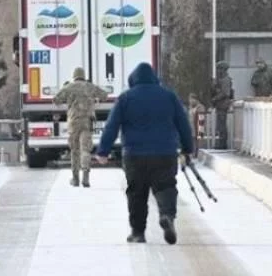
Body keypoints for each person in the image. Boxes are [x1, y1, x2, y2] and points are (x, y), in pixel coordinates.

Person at [95, 62, 193, 245]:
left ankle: (138, 232)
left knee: (136, 193)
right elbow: (183, 124)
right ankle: (167, 216)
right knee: (166, 187)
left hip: (134, 155)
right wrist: (188, 148)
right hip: (165, 153)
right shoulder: (169, 97)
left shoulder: (125, 98)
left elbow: (112, 125)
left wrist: (103, 151)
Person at [53, 67, 108, 187]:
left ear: (74, 76)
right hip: (87, 122)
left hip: (73, 122)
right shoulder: (89, 86)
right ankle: (86, 177)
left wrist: (65, 91)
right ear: (83, 76)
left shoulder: (69, 87)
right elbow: (104, 95)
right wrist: (95, 99)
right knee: (85, 150)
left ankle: (75, 178)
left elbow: (56, 100)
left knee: (75, 150)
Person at [210, 61, 233, 150]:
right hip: (220, 104)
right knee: (220, 125)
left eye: (220, 69)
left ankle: (222, 144)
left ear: (223, 69)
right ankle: (220, 142)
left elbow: (225, 93)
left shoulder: (225, 79)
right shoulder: (220, 79)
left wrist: (215, 98)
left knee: (222, 125)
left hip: (223, 104)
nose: (218, 71)